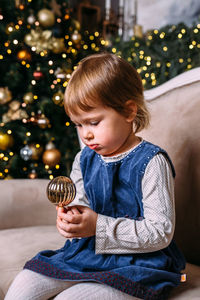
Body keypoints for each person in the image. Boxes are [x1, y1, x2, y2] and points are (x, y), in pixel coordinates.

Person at [5, 53, 186, 300]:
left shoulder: (152, 162)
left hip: (138, 263)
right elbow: (80, 201)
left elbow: (160, 232)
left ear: (128, 111)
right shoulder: (84, 158)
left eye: (93, 122)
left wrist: (97, 225)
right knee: (23, 286)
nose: (85, 135)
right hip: (88, 253)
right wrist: (72, 219)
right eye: (78, 125)